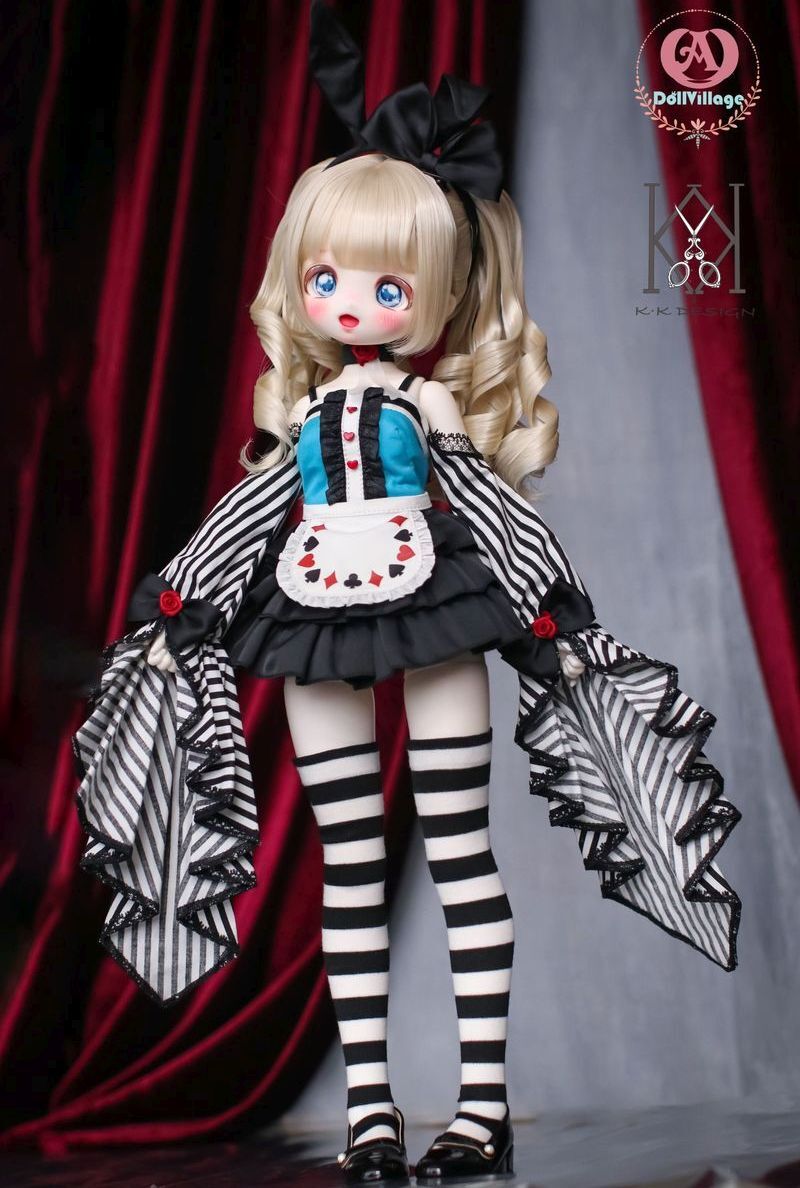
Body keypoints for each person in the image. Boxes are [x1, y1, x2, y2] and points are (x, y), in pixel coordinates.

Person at [72, 3, 741, 1183]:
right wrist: (178, 604)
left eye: (386, 285)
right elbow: (249, 516)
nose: (350, 303)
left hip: (430, 602)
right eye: (327, 278)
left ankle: (478, 1107)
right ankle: (370, 1111)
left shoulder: (425, 409)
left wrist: (552, 616)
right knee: (347, 864)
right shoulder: (304, 415)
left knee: (458, 845)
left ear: (430, 291)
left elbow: (486, 507)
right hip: (313, 609)